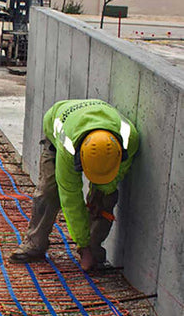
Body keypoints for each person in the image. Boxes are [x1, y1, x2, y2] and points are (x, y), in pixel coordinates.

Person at [9, 99, 139, 271]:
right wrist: (82, 245)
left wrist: (101, 192)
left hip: (97, 122)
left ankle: (95, 249)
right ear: (80, 159)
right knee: (48, 192)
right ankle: (34, 244)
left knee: (106, 197)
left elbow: (117, 174)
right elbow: (70, 198)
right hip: (60, 126)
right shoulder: (67, 148)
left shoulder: (129, 139)